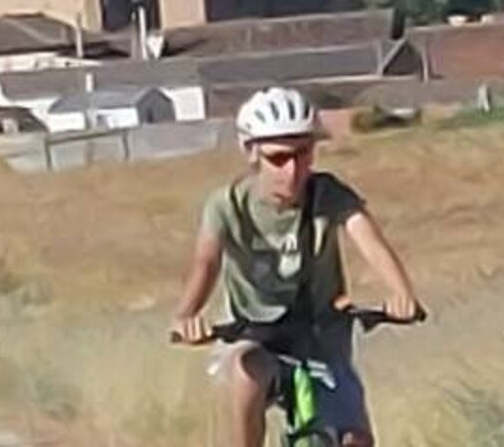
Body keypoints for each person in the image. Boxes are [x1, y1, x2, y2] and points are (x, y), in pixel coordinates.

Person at [169, 87, 422, 447]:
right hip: (251, 335)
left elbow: (368, 239)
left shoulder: (328, 194)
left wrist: (401, 294)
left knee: (355, 439)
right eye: (278, 158)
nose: (292, 170)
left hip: (321, 336)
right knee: (247, 376)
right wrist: (186, 315)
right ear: (251, 152)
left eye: (303, 154)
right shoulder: (226, 205)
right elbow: (205, 263)